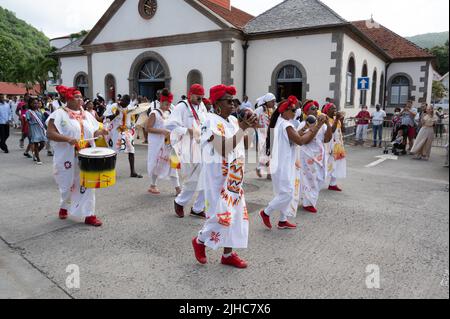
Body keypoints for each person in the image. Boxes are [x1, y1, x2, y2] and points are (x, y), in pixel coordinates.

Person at [192, 84, 258, 269]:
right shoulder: (208, 121)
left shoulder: (233, 121)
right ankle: (199, 241)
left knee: (235, 216)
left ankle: (228, 254)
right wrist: (242, 127)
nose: (233, 105)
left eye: (234, 102)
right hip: (217, 178)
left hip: (235, 177)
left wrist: (250, 127)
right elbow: (224, 149)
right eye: (229, 101)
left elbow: (245, 145)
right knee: (220, 215)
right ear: (217, 103)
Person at [259, 97, 327, 229]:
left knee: (284, 192)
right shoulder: (286, 124)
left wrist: (306, 128)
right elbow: (300, 141)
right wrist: (317, 126)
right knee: (288, 192)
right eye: (293, 109)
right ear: (285, 111)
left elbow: (294, 138)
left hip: (281, 163)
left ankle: (283, 220)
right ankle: (266, 212)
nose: (296, 111)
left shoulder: (280, 121)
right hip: (282, 164)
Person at [46, 86, 108, 226]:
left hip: (86, 156)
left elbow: (94, 133)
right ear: (68, 98)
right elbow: (50, 134)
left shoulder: (87, 114)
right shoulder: (59, 114)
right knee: (67, 185)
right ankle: (64, 205)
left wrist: (101, 132)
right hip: (67, 157)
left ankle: (89, 214)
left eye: (81, 97)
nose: (80, 99)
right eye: (76, 97)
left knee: (88, 184)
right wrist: (68, 139)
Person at [167, 84, 208, 218]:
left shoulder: (201, 106)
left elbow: (205, 121)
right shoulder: (182, 107)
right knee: (193, 178)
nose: (200, 99)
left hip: (202, 144)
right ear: (190, 95)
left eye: (202, 96)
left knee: (207, 176)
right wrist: (187, 131)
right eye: (198, 96)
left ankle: (198, 208)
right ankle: (180, 202)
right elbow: (170, 125)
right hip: (187, 146)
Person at [298, 100, 332, 213]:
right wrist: (318, 125)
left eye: (316, 108)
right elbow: (305, 141)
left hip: (320, 155)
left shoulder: (321, 124)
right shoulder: (304, 125)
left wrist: (327, 124)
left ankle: (308, 199)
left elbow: (327, 139)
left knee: (320, 178)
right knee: (310, 179)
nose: (316, 110)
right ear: (306, 112)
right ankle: (308, 203)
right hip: (308, 156)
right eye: (312, 108)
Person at [146, 89, 181, 196]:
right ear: (161, 102)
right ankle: (153, 185)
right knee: (156, 164)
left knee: (173, 164)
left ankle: (178, 188)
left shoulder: (170, 113)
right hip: (157, 144)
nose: (167, 106)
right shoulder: (154, 113)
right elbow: (148, 128)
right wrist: (162, 131)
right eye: (166, 104)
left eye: (169, 104)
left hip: (169, 144)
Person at [104, 95, 143, 178]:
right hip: (116, 132)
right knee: (113, 152)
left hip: (126, 132)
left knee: (131, 150)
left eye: (128, 104)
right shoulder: (114, 106)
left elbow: (133, 117)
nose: (126, 105)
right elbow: (106, 118)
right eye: (125, 103)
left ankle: (133, 172)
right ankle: (111, 172)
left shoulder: (128, 107)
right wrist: (114, 115)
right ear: (121, 100)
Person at [323, 103, 346, 191]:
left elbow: (343, 130)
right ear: (327, 110)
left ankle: (333, 184)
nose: (335, 110)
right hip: (330, 146)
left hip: (338, 145)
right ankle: (318, 183)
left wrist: (342, 120)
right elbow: (331, 131)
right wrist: (336, 120)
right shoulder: (326, 119)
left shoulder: (337, 120)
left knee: (337, 165)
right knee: (328, 164)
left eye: (336, 108)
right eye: (333, 108)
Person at [254, 93, 276, 179]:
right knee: (265, 153)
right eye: (272, 102)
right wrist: (258, 126)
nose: (274, 103)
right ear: (267, 102)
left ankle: (265, 170)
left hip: (271, 133)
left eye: (274, 102)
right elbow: (253, 118)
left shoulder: (274, 109)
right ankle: (267, 171)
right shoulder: (260, 109)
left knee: (270, 153)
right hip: (261, 134)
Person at [26, 98, 47, 164]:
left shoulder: (40, 110)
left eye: (37, 103)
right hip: (33, 128)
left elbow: (43, 120)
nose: (36, 104)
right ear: (30, 104)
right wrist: (29, 132)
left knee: (43, 144)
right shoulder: (28, 112)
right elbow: (28, 123)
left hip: (40, 128)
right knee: (35, 144)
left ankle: (35, 153)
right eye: (34, 103)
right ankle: (38, 158)